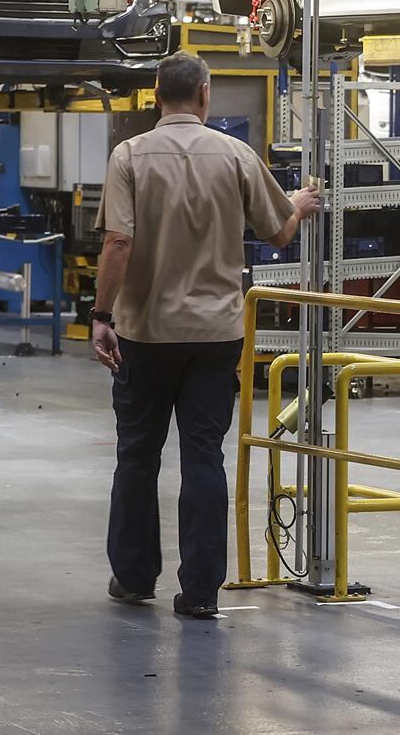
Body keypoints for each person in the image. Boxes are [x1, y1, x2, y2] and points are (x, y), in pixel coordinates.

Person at [92, 52, 323, 619]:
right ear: (204, 95)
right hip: (215, 335)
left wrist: (102, 315)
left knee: (137, 455)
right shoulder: (236, 154)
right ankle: (199, 593)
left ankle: (133, 576)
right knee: (203, 457)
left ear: (154, 94)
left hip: (146, 333)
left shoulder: (129, 156)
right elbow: (279, 233)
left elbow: (117, 243)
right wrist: (298, 204)